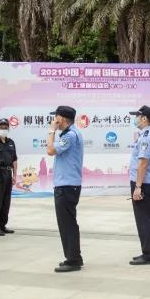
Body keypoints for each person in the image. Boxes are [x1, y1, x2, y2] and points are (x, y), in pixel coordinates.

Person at [47, 105, 84, 272]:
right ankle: (74, 257)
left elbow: (50, 150)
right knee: (68, 223)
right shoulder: (71, 133)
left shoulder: (70, 135)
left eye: (56, 117)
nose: (54, 120)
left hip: (67, 186)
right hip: (67, 185)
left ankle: (73, 260)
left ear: (61, 118)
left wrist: (51, 131)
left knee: (67, 224)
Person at [128, 105, 150, 265]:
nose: (136, 119)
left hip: (144, 183)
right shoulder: (147, 134)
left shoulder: (147, 137)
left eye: (138, 116)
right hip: (145, 182)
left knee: (145, 219)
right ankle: (148, 251)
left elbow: (143, 163)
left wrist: (138, 187)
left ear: (145, 118)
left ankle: (149, 255)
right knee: (145, 218)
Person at [0, 118, 17, 236]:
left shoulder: (11, 142)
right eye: (1, 127)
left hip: (8, 174)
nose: (3, 129)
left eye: (5, 127)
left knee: (6, 202)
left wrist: (14, 175)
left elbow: (14, 160)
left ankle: (2, 225)